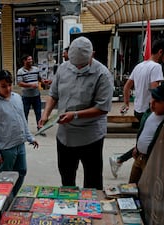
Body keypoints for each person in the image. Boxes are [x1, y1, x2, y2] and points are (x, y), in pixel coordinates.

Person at [38, 36, 113, 190]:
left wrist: (76, 115)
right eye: (75, 64)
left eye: (82, 65)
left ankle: (90, 210)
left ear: (92, 54)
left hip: (90, 136)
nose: (78, 68)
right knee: (66, 177)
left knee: (92, 181)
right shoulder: (64, 68)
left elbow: (102, 108)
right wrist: (45, 114)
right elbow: (53, 94)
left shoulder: (102, 75)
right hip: (65, 135)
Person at [109, 39, 164, 178]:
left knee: (147, 140)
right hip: (149, 111)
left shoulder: (139, 66)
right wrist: (155, 107)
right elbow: (155, 90)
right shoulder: (156, 67)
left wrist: (126, 103)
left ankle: (120, 160)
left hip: (138, 110)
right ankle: (120, 160)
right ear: (161, 52)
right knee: (150, 142)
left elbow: (126, 87)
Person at [0, 69, 39, 196]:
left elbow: (22, 120)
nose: (8, 89)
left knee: (22, 171)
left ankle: (13, 195)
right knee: (6, 177)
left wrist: (30, 137)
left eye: (10, 85)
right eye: (3, 86)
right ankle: (5, 200)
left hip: (20, 143)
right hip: (6, 148)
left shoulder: (17, 98)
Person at [128, 82, 164, 184]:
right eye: (152, 98)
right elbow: (144, 131)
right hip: (139, 157)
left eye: (157, 101)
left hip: (153, 163)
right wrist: (137, 147)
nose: (152, 102)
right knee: (131, 187)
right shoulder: (149, 113)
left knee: (146, 190)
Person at [17, 54, 51, 136]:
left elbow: (39, 79)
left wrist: (44, 82)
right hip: (26, 96)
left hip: (36, 95)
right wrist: (30, 85)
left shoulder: (36, 69)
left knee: (38, 113)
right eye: (29, 59)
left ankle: (40, 129)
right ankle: (25, 131)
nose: (31, 61)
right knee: (25, 113)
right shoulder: (20, 71)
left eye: (31, 59)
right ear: (24, 61)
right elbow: (20, 83)